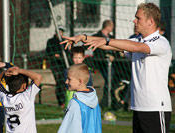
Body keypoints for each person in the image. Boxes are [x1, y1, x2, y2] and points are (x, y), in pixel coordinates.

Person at [60, 3, 172, 133]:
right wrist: (82, 37)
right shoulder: (138, 41)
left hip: (156, 108)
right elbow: (113, 45)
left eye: (138, 18)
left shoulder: (161, 42)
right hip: (138, 108)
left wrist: (107, 41)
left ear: (150, 21)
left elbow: (134, 47)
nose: (134, 20)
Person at [0, 66, 42, 133]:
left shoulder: (4, 98)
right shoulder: (26, 97)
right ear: (24, 86)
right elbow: (38, 77)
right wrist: (18, 71)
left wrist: (4, 72)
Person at [58, 63, 102, 133]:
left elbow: (70, 128)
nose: (66, 82)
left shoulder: (75, 103)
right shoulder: (94, 98)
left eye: (69, 79)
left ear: (79, 81)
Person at [92, 20, 115, 108]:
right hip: (100, 62)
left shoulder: (112, 37)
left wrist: (113, 55)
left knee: (110, 81)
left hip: (110, 64)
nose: (112, 27)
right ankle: (104, 101)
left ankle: (107, 101)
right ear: (108, 26)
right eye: (112, 25)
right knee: (107, 80)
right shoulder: (96, 36)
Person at [46, 27, 69, 108]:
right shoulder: (51, 41)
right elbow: (48, 52)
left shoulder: (64, 41)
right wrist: (54, 55)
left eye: (61, 32)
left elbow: (67, 53)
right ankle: (60, 102)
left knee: (63, 82)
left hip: (63, 64)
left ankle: (64, 101)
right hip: (55, 64)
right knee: (58, 82)